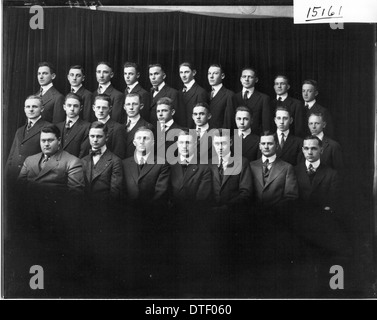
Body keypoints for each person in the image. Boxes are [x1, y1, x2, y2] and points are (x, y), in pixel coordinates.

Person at [122, 127, 170, 211]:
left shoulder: (162, 164)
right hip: (128, 212)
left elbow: (161, 193)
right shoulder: (124, 163)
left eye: (146, 138)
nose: (141, 141)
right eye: (139, 138)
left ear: (153, 143)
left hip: (152, 213)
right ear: (134, 142)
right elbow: (120, 191)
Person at [6, 95, 51, 182]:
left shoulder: (48, 127)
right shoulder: (20, 130)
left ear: (42, 109)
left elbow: (50, 157)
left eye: (34, 106)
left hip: (33, 177)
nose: (30, 109)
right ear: (24, 109)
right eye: (28, 107)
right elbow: (11, 156)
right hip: (13, 176)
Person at [250, 131, 298, 209]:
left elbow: (291, 197)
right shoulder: (251, 166)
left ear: (277, 146)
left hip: (277, 216)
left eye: (270, 144)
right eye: (263, 144)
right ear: (259, 146)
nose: (266, 147)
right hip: (254, 215)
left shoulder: (287, 168)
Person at [210, 128, 252, 213]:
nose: (220, 147)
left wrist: (226, 208)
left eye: (223, 143)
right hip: (211, 214)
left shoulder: (242, 162)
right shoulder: (208, 164)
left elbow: (246, 192)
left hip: (234, 213)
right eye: (217, 144)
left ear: (231, 142)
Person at [81, 122, 123, 206]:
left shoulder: (115, 161)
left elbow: (115, 193)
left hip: (104, 208)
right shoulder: (83, 160)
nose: (95, 140)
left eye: (99, 136)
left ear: (106, 137)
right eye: (92, 136)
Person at [295, 136, 340, 212]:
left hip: (322, 218)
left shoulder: (331, 174)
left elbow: (333, 200)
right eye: (306, 148)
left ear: (321, 150)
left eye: (314, 148)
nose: (309, 152)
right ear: (302, 150)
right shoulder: (293, 171)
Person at [170, 130, 212, 210]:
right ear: (177, 144)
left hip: (193, 214)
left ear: (195, 144)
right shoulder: (170, 165)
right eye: (181, 143)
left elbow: (202, 198)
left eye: (188, 143)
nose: (184, 146)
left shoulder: (204, 168)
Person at [233, 67, 271, 134]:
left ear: (256, 80)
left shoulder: (264, 98)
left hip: (256, 137)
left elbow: (266, 124)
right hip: (237, 137)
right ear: (240, 79)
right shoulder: (233, 97)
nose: (246, 79)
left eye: (250, 77)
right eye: (244, 76)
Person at [56, 93, 91, 158]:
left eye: (75, 106)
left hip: (75, 165)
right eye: (69, 105)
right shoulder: (57, 127)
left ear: (81, 108)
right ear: (64, 107)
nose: (72, 109)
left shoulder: (87, 127)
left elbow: (84, 153)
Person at [92, 94, 127, 159]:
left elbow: (118, 156)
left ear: (110, 109)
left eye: (104, 108)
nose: (101, 111)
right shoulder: (91, 126)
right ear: (94, 108)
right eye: (98, 107)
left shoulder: (118, 129)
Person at [178, 62, 209, 128]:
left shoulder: (200, 92)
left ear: (194, 73)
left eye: (186, 72)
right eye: (181, 72)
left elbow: (201, 118)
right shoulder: (179, 92)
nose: (183, 75)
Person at [124, 93, 154, 159]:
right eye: (128, 104)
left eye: (134, 104)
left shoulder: (148, 127)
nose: (131, 107)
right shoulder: (120, 126)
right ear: (124, 107)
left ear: (141, 106)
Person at [207, 64, 235, 129]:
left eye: (215, 73)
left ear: (222, 76)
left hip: (220, 136)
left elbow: (229, 122)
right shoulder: (206, 94)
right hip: (205, 135)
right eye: (209, 73)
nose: (211, 76)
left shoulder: (229, 95)